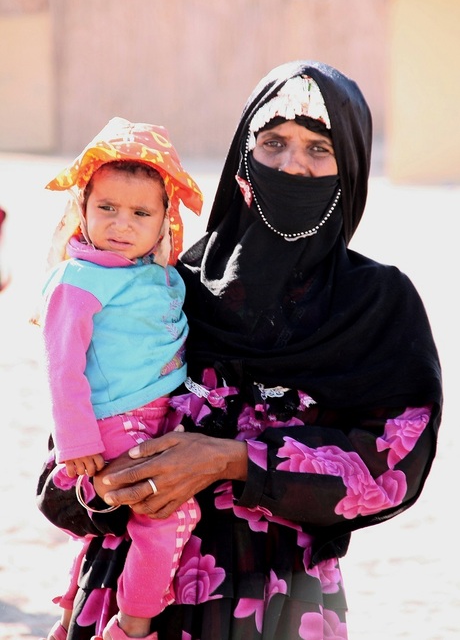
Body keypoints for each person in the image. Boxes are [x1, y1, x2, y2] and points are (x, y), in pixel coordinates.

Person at [37, 61, 442, 640]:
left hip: (275, 604)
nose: (292, 164)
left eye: (318, 149)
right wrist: (106, 486)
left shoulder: (374, 305)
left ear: (349, 167)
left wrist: (232, 458)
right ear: (243, 160)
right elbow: (60, 470)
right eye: (273, 142)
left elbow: (395, 462)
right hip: (131, 600)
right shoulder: (169, 286)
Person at [38, 117, 203, 640]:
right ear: (82, 209)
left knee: (114, 531)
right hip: (113, 421)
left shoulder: (158, 274)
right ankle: (132, 627)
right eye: (106, 207)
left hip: (157, 415)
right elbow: (61, 364)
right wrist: (76, 441)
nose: (121, 223)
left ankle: (71, 612)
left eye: (140, 213)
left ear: (164, 222)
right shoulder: (78, 279)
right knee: (170, 515)